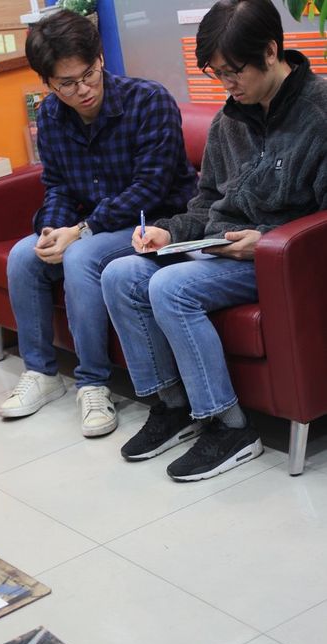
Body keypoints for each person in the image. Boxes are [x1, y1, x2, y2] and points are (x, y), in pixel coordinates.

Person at [101, 0, 327, 481]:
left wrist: (262, 242)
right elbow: (206, 203)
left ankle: (228, 427)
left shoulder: (319, 115)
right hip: (221, 251)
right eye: (217, 74)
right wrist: (171, 230)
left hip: (280, 261)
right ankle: (173, 406)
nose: (227, 85)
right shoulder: (232, 121)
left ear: (271, 50)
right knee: (120, 273)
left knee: (170, 288)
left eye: (234, 72)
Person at [0, 9, 198, 437]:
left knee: (82, 257)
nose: (83, 90)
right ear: (47, 83)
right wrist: (52, 229)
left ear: (101, 59)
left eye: (88, 75)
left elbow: (150, 187)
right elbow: (58, 186)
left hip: (156, 220)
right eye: (66, 84)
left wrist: (82, 230)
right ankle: (42, 373)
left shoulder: (148, 101)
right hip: (94, 224)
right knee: (23, 255)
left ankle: (93, 382)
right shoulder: (51, 116)